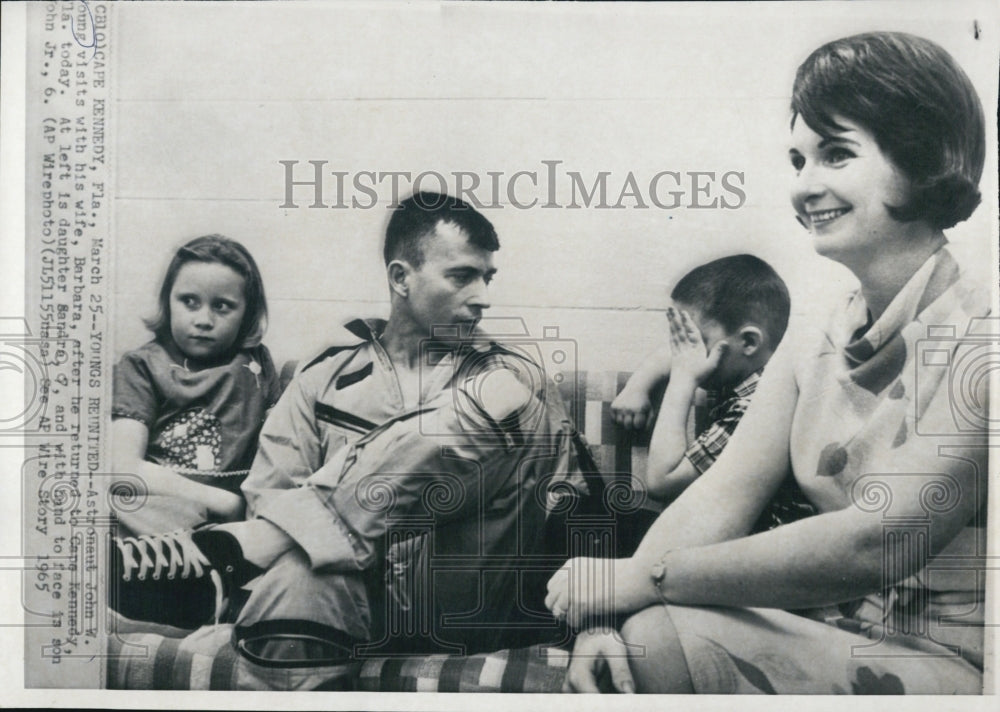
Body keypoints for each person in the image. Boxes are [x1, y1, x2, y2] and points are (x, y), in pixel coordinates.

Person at [547, 31, 991, 694]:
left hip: (962, 670)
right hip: (830, 629)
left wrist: (645, 580)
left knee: (657, 640)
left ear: (924, 160)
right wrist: (607, 613)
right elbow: (719, 498)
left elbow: (878, 541)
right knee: (633, 644)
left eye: (836, 154)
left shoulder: (984, 334)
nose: (804, 187)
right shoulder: (818, 332)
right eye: (798, 159)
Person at [111, 192, 577, 671]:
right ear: (400, 278)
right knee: (301, 575)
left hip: (461, 600)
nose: (483, 297)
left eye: (487, 277)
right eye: (462, 276)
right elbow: (271, 490)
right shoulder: (325, 380)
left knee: (503, 399)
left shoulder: (514, 377)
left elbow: (571, 517)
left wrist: (600, 623)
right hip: (348, 599)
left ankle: (249, 544)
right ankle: (266, 556)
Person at [110, 235, 280, 538]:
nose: (204, 319)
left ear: (247, 313)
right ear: (168, 301)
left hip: (242, 518)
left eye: (223, 306)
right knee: (116, 505)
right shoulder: (143, 366)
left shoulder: (255, 362)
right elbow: (123, 467)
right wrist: (224, 502)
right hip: (167, 506)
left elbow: (279, 447)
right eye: (189, 301)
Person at [612, 256, 804, 520]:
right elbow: (673, 354)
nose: (686, 355)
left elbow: (662, 482)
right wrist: (638, 384)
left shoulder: (755, 407)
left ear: (749, 342)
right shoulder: (751, 369)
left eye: (695, 343)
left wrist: (682, 379)